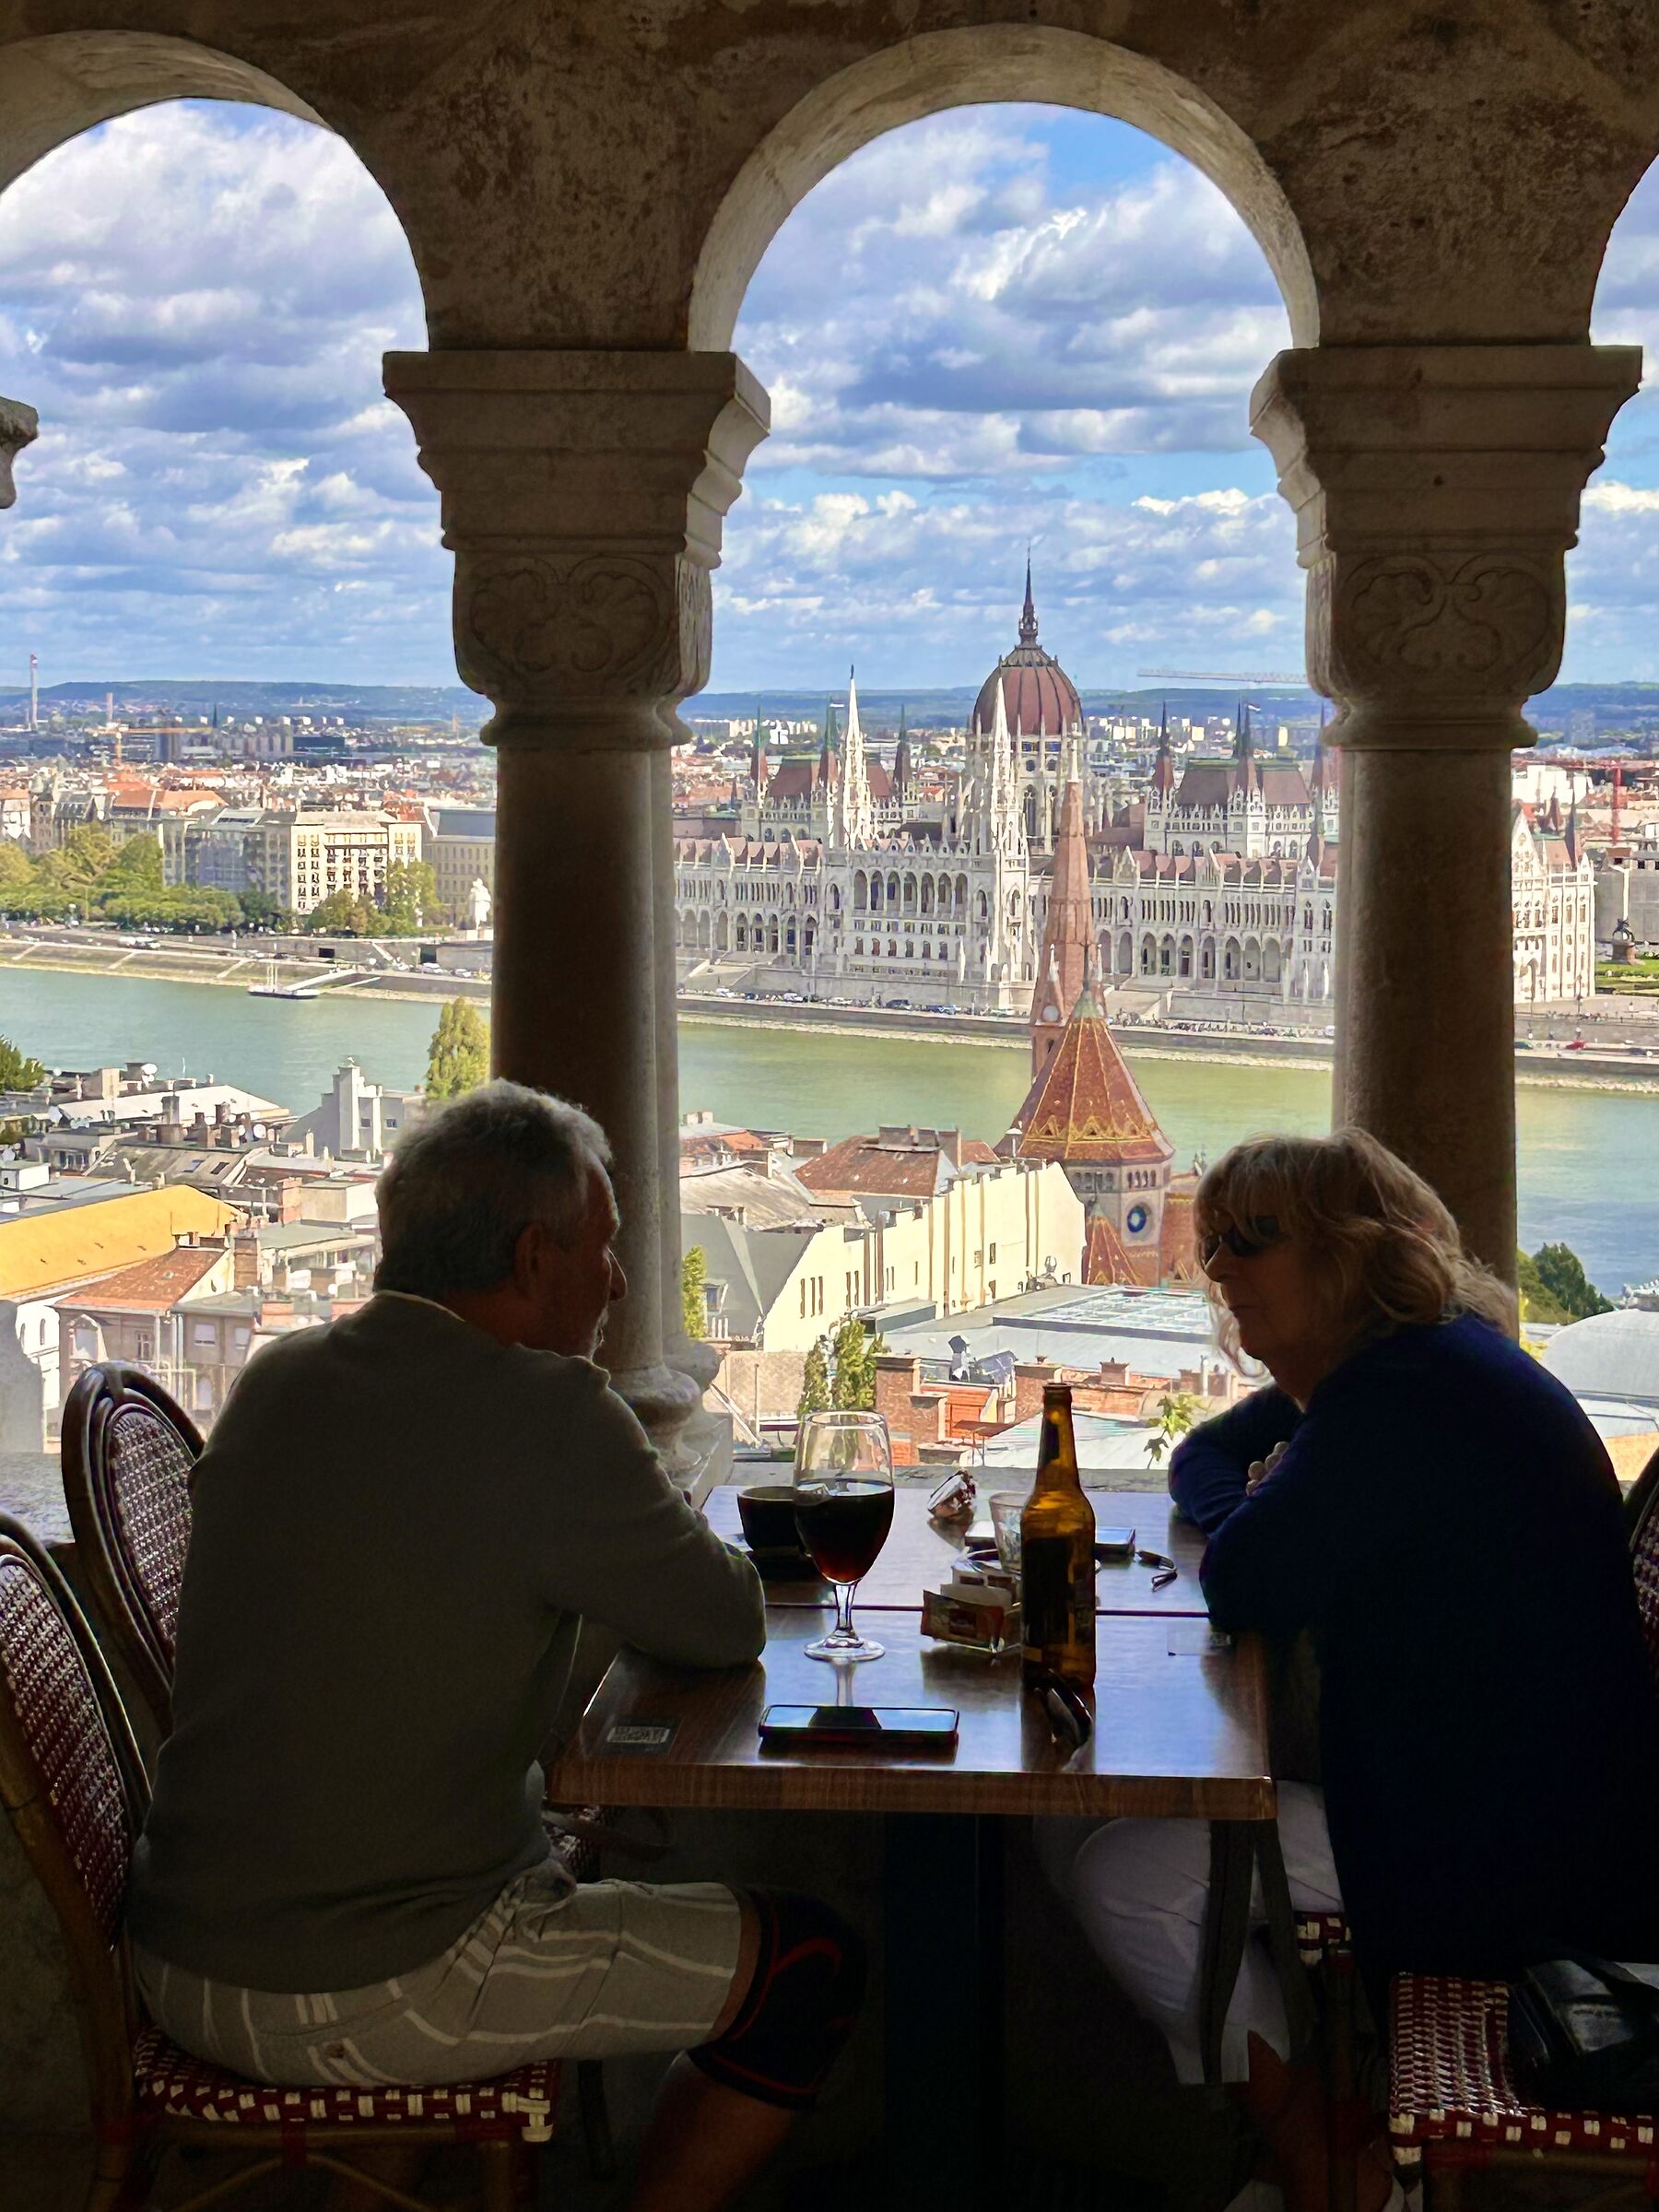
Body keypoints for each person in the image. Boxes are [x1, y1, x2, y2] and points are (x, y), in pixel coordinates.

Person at [128, 1081, 863, 2212]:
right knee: (808, 1968)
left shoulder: (277, 1380)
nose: (618, 1281)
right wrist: (641, 1485)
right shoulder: (552, 1416)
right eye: (604, 1250)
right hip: (371, 1981)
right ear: (532, 1260)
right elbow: (720, 1621)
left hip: (181, 1953)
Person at [1041, 1129, 1659, 2212]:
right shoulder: (1406, 1362)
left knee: (1120, 1875)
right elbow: (1202, 1459)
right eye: (1214, 1239)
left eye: (1252, 1240)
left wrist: (1265, 1514)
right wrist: (1268, 1500)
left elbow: (1245, 1577)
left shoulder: (1403, 1393)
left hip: (1504, 1849)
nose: (1219, 1264)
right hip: (1486, 1796)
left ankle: (1328, 2163)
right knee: (1062, 1818)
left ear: (1345, 1255)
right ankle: (1329, 2126)